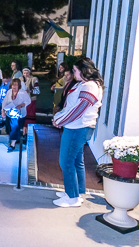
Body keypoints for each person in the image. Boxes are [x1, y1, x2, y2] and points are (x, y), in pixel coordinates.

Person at [52, 58, 104, 208]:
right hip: (78, 127)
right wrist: (60, 118)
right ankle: (76, 191)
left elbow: (78, 110)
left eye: (75, 70)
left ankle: (72, 197)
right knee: (76, 161)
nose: (73, 73)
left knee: (66, 161)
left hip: (77, 128)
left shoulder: (90, 86)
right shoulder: (86, 84)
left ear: (83, 70)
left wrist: (59, 121)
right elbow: (73, 107)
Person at [1, 79, 31, 152]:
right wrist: (3, 110)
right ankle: (15, 139)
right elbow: (4, 102)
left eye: (16, 84)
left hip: (19, 113)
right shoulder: (9, 92)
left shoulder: (22, 93)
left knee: (15, 127)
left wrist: (21, 105)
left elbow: (28, 101)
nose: (14, 86)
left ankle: (12, 144)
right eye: (13, 84)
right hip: (9, 113)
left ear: (19, 86)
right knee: (9, 128)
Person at [22, 68, 40, 134]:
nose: (25, 74)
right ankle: (24, 133)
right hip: (23, 101)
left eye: (27, 73)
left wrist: (30, 91)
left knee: (30, 116)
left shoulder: (34, 79)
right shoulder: (21, 80)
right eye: (24, 73)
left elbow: (37, 91)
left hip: (31, 101)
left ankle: (30, 132)